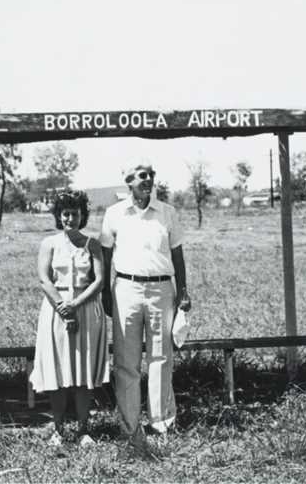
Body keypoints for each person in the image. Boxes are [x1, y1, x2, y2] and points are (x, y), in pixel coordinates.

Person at [100, 160, 192, 443]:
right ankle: (129, 426)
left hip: (161, 290)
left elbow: (177, 255)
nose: (148, 180)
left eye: (151, 175)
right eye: (141, 176)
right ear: (128, 181)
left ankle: (161, 422)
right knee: (126, 362)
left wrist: (183, 291)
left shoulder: (167, 213)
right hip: (125, 289)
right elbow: (105, 256)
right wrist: (105, 290)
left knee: (160, 357)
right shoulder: (114, 213)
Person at [30, 190, 109, 446]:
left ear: (82, 216)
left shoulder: (92, 244)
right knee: (57, 369)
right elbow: (44, 279)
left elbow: (98, 281)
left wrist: (75, 304)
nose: (70, 218)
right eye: (65, 214)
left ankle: (84, 429)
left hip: (86, 309)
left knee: (83, 370)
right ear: (58, 216)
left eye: (75, 213)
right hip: (55, 310)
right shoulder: (49, 244)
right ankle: (59, 429)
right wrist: (63, 306)